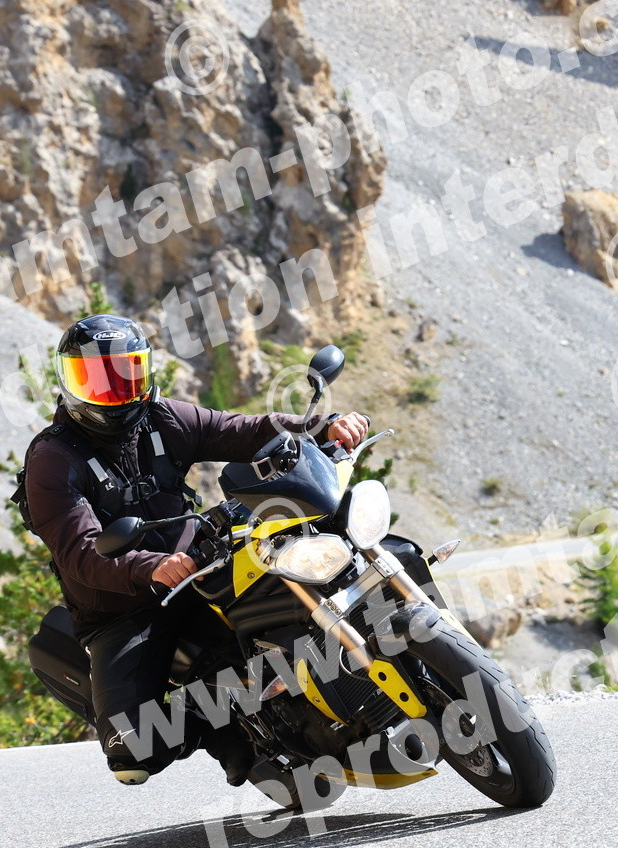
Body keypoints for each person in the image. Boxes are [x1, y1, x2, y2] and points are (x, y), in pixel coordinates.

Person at [22, 314, 369, 786]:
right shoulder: (52, 459)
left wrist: (321, 427)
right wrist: (152, 565)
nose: (114, 392)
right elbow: (80, 553)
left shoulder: (162, 418)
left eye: (125, 375)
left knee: (298, 585)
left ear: (144, 370)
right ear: (68, 381)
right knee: (133, 753)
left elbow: (242, 430)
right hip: (122, 609)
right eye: (96, 380)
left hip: (201, 570)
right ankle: (217, 726)